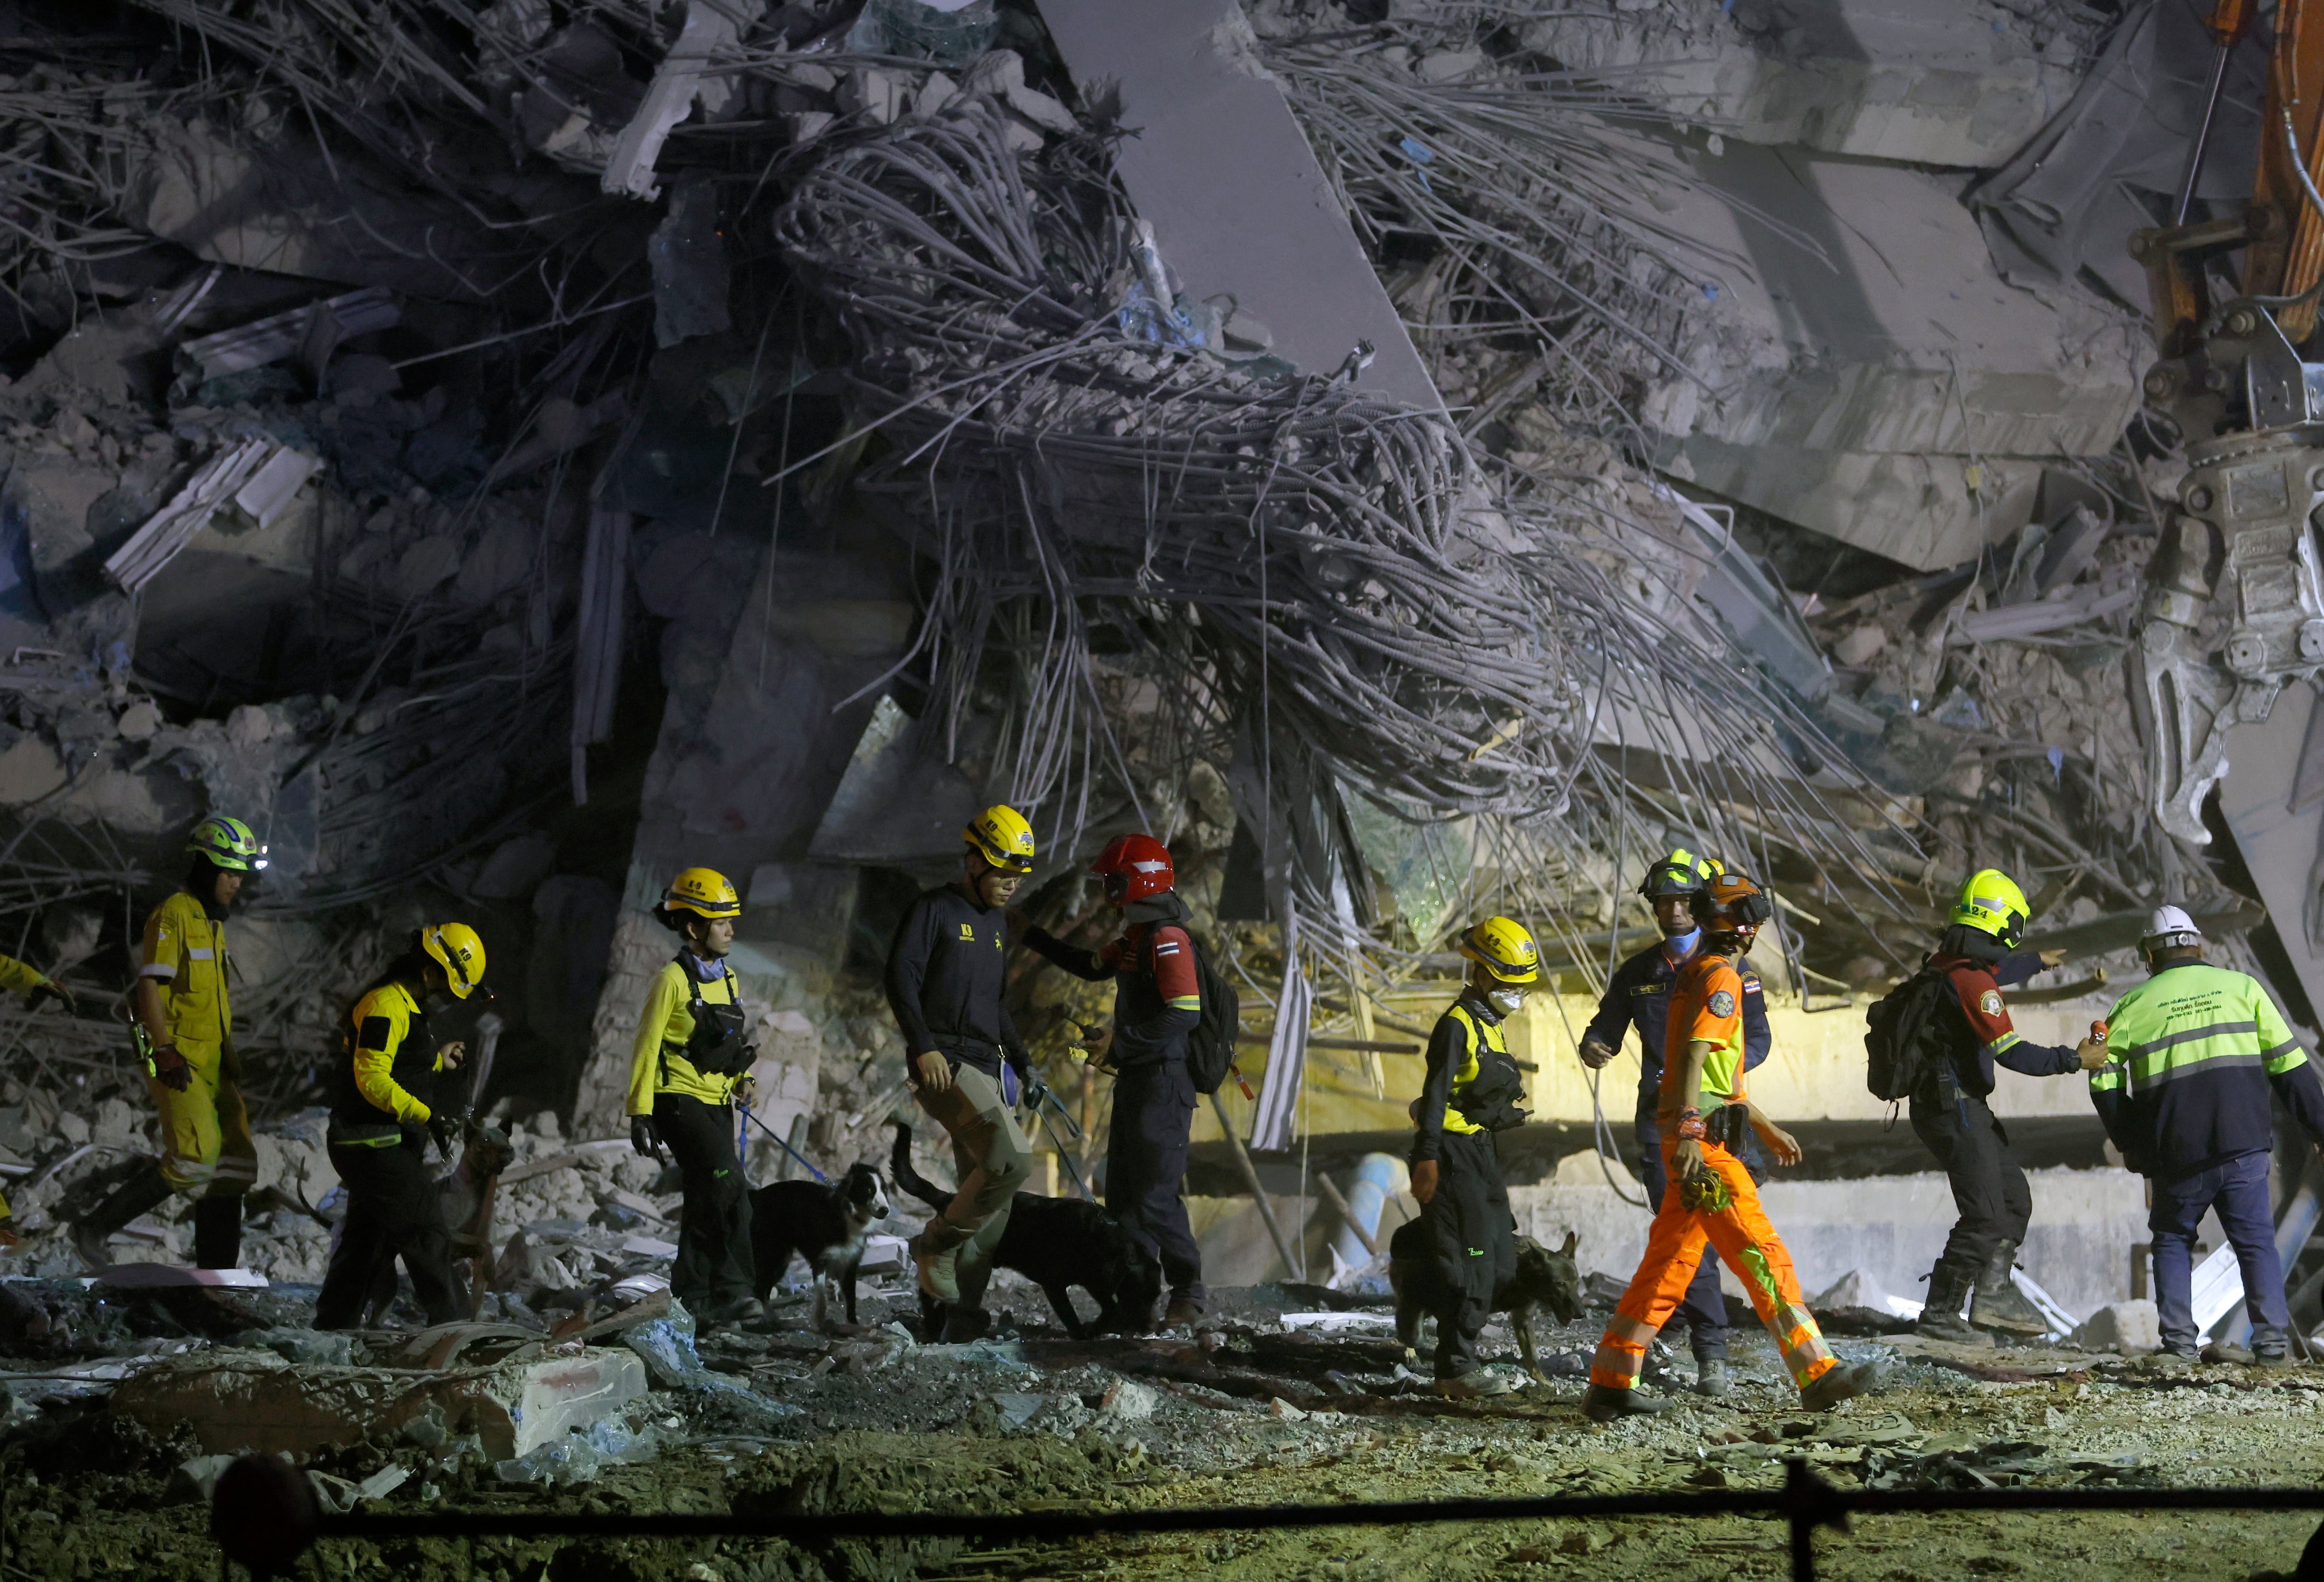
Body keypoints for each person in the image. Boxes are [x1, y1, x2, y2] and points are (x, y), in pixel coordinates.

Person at [1585, 872, 1879, 1419]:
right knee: (1761, 1254)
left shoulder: (1697, 972)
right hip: (1708, 1148)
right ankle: (1816, 1373)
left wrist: (1758, 1123)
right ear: (1742, 926)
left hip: (1690, 1133)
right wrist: (1694, 1132)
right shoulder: (1721, 978)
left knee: (1668, 1264)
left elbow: (1714, 1070)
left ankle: (1611, 1378)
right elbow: (1694, 1058)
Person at [2092, 907, 2324, 1364]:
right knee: (2256, 1243)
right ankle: (2272, 1347)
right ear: (2199, 946)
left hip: (2175, 1153)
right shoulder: (2242, 989)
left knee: (2172, 1240)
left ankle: (2177, 1345)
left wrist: (2132, 1142)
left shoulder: (2130, 1007)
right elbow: (2290, 1068)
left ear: (2147, 955)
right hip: (2242, 1147)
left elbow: (2101, 1079)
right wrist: (2319, 1128)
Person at [1578, 847, 1771, 1397]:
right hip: (1664, 1121)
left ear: (1701, 905)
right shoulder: (1640, 973)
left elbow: (1753, 1041)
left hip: (1713, 1118)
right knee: (1692, 1239)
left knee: (1690, 1240)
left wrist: (1716, 1069)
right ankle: (1706, 1353)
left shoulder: (1730, 973)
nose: (1671, 910)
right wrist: (1595, 1045)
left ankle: (1661, 1349)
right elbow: (1605, 1029)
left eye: (1682, 900)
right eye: (1662, 901)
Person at [1902, 869, 2106, 1343]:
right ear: (2002, 924)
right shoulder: (1974, 985)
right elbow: (2011, 1051)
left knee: (2012, 1199)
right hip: (1954, 1108)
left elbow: (1985, 971)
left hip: (1948, 1105)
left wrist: (2034, 962)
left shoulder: (1943, 964)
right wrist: (2075, 1059)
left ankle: (1991, 1298)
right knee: (1986, 1214)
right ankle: (1940, 1312)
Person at [1020, 833, 1206, 1330]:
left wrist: (1120, 1044)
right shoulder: (1135, 939)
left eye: (1114, 882)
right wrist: (1030, 934)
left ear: (1140, 881)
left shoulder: (1168, 940)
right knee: (1122, 1198)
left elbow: (1184, 1014)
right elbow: (1088, 965)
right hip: (1136, 1082)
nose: (1108, 893)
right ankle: (1137, 1303)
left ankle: (1188, 1292)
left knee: (1154, 1198)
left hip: (1163, 1087)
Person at [73, 816, 264, 1271]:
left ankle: (217, 1272)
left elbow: (210, 1001)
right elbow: (149, 989)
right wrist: (163, 1050)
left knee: (234, 1164)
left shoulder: (213, 925)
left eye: (241, 873)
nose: (236, 883)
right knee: (195, 1159)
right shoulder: (174, 914)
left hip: (211, 1060)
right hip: (175, 1056)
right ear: (204, 867)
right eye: (228, 872)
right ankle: (93, 1228)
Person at [885, 807, 1036, 1336]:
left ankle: (957, 1317)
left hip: (987, 1065)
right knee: (1012, 1160)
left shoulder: (996, 925)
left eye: (1017, 875)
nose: (1009, 884)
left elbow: (995, 1006)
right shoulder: (934, 910)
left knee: (993, 1202)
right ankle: (935, 1244)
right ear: (972, 861)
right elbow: (900, 975)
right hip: (944, 1062)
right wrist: (922, 1046)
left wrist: (1024, 1063)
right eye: (1000, 872)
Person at [314, 923, 486, 1330]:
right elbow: (371, 1077)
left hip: (376, 1143)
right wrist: (427, 1115)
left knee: (366, 1237)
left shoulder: (405, 1006)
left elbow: (398, 1060)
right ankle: (456, 1327)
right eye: (446, 990)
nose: (446, 1000)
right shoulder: (384, 1005)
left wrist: (438, 1060)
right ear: (428, 973)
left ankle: (334, 1325)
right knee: (426, 1230)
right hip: (373, 1145)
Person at [1406, 915, 1538, 1398]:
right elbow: (1435, 1096)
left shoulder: (1492, 1024)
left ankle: (1456, 1350)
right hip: (1451, 1155)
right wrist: (1427, 1158)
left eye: (1521, 986)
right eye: (1507, 984)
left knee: (1502, 1259)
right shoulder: (1456, 1026)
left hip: (1480, 1152)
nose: (1514, 995)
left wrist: (1503, 1116)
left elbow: (1473, 1091)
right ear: (1481, 974)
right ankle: (1454, 1368)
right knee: (1472, 1260)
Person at [628, 867, 763, 1326]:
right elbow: (646, 1045)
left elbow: (721, 1048)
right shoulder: (671, 980)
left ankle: (692, 1296)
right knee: (729, 1187)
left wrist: (742, 1082)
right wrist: (639, 1111)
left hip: (714, 1100)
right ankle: (737, 1290)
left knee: (704, 1196)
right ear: (693, 927)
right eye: (721, 921)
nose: (730, 929)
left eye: (730, 921)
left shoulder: (728, 980)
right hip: (675, 1099)